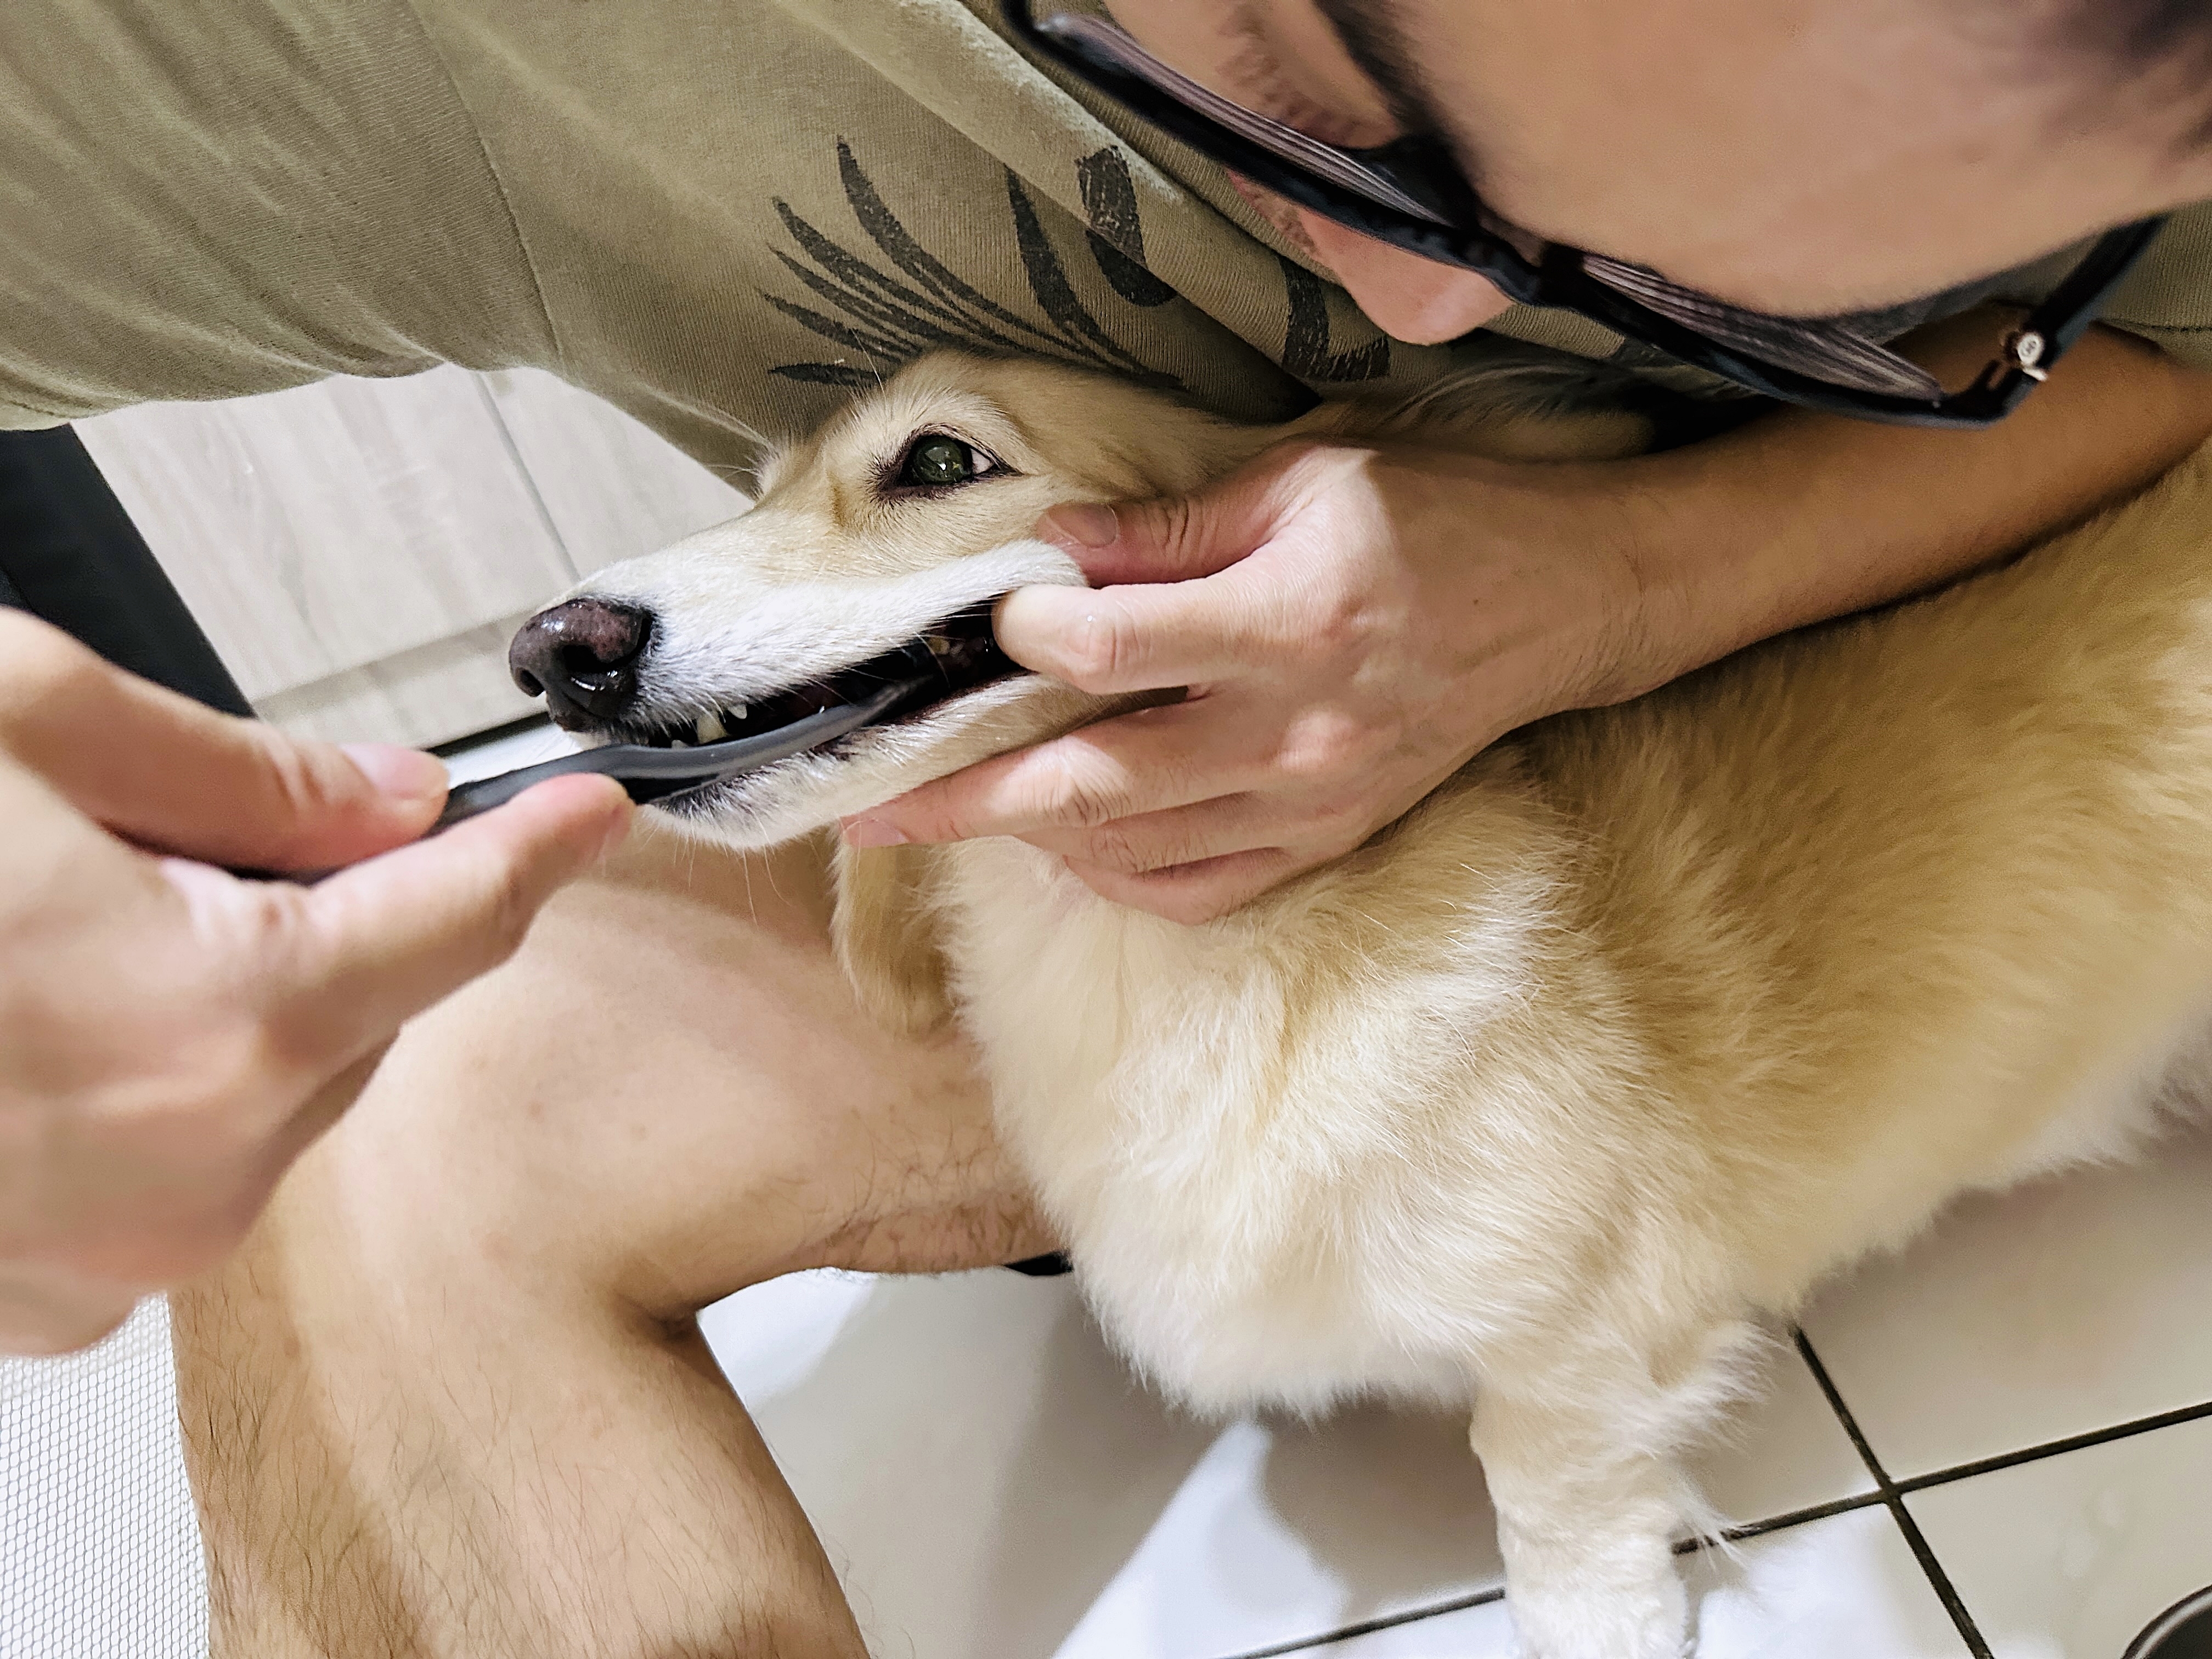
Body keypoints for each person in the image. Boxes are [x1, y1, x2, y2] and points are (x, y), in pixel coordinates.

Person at [6, 0, 2212, 1650]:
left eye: (1769, 281)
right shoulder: (513, 50)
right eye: (1329, 90)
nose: (1440, 307)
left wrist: (1628, 586)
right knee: (380, 1145)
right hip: (1080, 905)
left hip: (1922, 755)